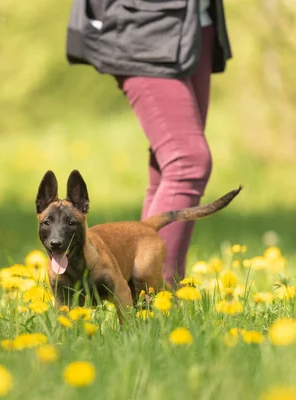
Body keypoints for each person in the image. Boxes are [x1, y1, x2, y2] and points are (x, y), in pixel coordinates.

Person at [65, 0, 232, 287]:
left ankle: (141, 289)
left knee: (167, 162)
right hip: (142, 23)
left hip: (194, 20)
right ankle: (159, 294)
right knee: (187, 160)